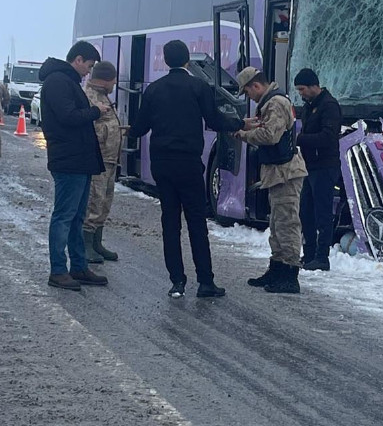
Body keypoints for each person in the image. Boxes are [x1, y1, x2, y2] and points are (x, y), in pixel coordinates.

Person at [127, 40, 242, 299]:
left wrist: (129, 131)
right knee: (196, 223)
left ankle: (177, 282)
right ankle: (205, 282)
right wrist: (239, 122)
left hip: (162, 165)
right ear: (187, 60)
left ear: (166, 61)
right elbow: (214, 120)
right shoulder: (198, 86)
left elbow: (140, 127)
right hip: (189, 164)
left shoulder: (154, 90)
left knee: (170, 222)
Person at [39, 42, 110, 292]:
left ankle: (78, 266)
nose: (88, 73)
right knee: (64, 216)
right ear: (78, 60)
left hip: (78, 159)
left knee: (77, 216)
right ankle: (58, 270)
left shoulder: (66, 81)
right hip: (68, 159)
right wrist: (95, 111)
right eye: (89, 67)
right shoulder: (58, 82)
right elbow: (68, 117)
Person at [235, 67, 309, 295]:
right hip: (278, 172)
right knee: (277, 224)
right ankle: (277, 268)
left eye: (248, 92)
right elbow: (266, 126)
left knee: (287, 223)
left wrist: (243, 134)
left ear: (255, 86)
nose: (249, 97)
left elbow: (270, 135)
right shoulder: (271, 102)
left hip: (285, 173)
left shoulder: (275, 103)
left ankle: (289, 274)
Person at [293, 68, 341, 271]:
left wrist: (300, 139)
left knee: (322, 213)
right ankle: (309, 252)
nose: (301, 94)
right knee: (306, 211)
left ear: (314, 86)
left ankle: (322, 257)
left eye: (302, 89)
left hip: (324, 166)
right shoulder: (308, 106)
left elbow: (328, 137)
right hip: (309, 166)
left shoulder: (329, 106)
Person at [82, 60, 123, 264]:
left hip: (109, 159)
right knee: (94, 202)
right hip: (98, 159)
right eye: (113, 80)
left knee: (105, 201)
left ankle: (97, 241)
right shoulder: (90, 97)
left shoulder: (103, 95)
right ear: (105, 79)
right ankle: (86, 243)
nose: (114, 84)